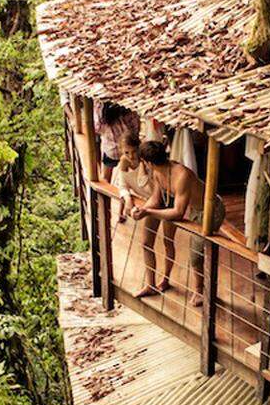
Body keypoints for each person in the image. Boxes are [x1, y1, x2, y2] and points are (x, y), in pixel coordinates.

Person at [133, 140, 244, 306]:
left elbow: (178, 212)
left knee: (196, 256)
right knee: (196, 252)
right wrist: (141, 209)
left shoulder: (182, 175)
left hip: (210, 211)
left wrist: (148, 212)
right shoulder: (157, 171)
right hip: (195, 210)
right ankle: (153, 285)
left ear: (148, 162)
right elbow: (156, 198)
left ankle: (201, 291)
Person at [117, 134, 176, 293]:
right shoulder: (123, 165)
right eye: (127, 152)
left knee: (167, 241)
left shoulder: (149, 164)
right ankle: (150, 284)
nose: (131, 156)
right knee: (146, 242)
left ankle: (165, 279)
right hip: (151, 203)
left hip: (166, 199)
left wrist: (142, 165)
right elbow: (122, 186)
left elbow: (150, 185)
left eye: (134, 151)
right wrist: (128, 200)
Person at [94, 100, 138, 183]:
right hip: (130, 150)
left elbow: (97, 128)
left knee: (106, 177)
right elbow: (136, 127)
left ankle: (105, 190)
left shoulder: (101, 108)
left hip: (111, 151)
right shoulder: (128, 107)